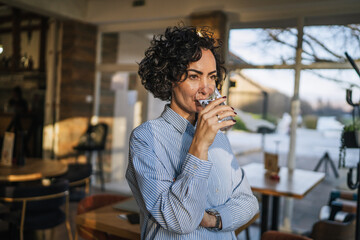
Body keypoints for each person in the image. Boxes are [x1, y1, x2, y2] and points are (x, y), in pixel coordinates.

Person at [126, 25, 259, 239]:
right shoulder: (146, 138)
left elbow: (249, 203)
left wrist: (213, 219)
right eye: (194, 76)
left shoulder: (220, 138)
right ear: (169, 79)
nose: (206, 88)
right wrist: (200, 145)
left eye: (212, 77)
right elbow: (180, 220)